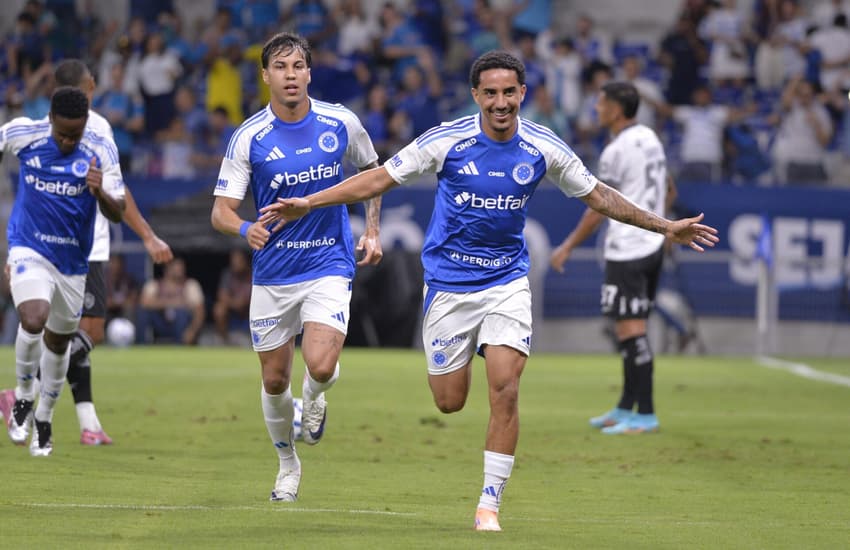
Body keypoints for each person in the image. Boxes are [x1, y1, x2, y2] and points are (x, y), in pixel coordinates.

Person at [257, 50, 719, 531]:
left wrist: (665, 226)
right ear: (476, 95)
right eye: (491, 93)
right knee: (449, 400)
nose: (501, 103)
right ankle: (463, 365)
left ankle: (489, 503)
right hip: (449, 288)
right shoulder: (447, 140)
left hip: (506, 283)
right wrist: (309, 202)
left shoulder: (543, 146)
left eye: (509, 93)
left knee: (506, 386)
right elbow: (379, 178)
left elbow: (599, 195)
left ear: (523, 94)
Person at [210, 32, 383, 503]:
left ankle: (317, 395)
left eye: (298, 66)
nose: (291, 75)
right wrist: (245, 230)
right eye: (281, 67)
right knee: (273, 380)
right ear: (265, 75)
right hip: (273, 271)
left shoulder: (340, 122)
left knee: (321, 365)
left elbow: (373, 174)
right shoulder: (249, 137)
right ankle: (288, 466)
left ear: (309, 72)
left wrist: (372, 230)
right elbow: (220, 211)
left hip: (329, 259)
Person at [0, 59, 174, 447]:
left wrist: (143, 232)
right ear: (88, 86)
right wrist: (147, 236)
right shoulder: (64, 128)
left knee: (73, 336)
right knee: (69, 327)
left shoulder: (97, 135)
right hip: (60, 245)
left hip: (84, 247)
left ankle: (78, 417)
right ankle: (50, 404)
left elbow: (116, 193)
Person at [0, 86, 125, 456]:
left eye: (76, 133)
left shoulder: (101, 148)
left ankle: (44, 417)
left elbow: (117, 211)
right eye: (62, 133)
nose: (69, 141)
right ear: (50, 120)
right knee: (33, 318)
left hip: (72, 262)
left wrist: (100, 191)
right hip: (29, 246)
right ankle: (23, 396)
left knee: (58, 344)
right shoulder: (24, 133)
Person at [550, 81, 677, 435]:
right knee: (630, 331)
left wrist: (568, 246)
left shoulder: (616, 150)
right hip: (651, 245)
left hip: (629, 247)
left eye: (601, 103)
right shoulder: (651, 138)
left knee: (631, 332)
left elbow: (597, 208)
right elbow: (670, 188)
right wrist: (665, 226)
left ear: (617, 109)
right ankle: (625, 407)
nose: (596, 108)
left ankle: (646, 414)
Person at [136, 257, 205, 345]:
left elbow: (200, 311)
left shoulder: (190, 285)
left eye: (181, 268)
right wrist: (174, 303)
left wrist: (192, 330)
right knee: (143, 313)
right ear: (167, 269)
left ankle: (180, 346)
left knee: (181, 313)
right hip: (161, 323)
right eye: (176, 268)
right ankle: (141, 345)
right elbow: (144, 302)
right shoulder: (154, 285)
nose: (179, 271)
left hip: (182, 326)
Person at [212, 248, 252, 344]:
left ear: (245, 262)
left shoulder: (253, 274)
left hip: (250, 310)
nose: (235, 264)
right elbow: (221, 295)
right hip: (232, 309)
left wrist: (243, 302)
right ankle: (224, 340)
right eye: (233, 261)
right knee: (219, 309)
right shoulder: (228, 274)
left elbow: (253, 298)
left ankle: (257, 341)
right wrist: (235, 303)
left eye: (238, 261)